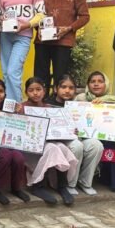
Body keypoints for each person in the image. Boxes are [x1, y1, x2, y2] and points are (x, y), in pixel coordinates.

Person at [34, 0, 89, 91]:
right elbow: (37, 15)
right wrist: (38, 28)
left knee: (61, 78)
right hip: (43, 41)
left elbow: (85, 16)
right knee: (40, 77)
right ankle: (40, 102)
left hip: (64, 41)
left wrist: (69, 28)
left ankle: (57, 103)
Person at [21, 77, 77, 205]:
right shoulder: (22, 108)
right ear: (26, 92)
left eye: (38, 89)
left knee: (62, 148)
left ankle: (62, 186)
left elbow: (58, 128)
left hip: (48, 142)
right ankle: (37, 186)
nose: (35, 93)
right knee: (52, 148)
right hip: (30, 147)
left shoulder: (50, 108)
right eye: (31, 90)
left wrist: (70, 130)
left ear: (44, 91)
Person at [46, 75, 103, 195]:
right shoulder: (48, 105)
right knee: (76, 145)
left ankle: (85, 182)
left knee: (96, 145)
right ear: (56, 89)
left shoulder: (78, 105)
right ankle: (69, 183)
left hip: (78, 137)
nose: (67, 90)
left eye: (71, 88)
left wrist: (97, 105)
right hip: (58, 141)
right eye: (63, 87)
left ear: (75, 90)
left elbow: (90, 122)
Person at [0, 0, 45, 102]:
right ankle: (8, 105)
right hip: (5, 35)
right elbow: (1, 15)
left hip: (23, 36)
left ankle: (17, 106)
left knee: (13, 72)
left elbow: (41, 14)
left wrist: (26, 25)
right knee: (6, 72)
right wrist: (1, 19)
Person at [75, 71, 115, 187]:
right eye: (92, 81)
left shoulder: (114, 100)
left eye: (100, 81)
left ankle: (111, 180)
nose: (96, 84)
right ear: (88, 85)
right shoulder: (80, 99)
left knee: (112, 143)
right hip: (85, 137)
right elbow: (74, 117)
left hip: (106, 136)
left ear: (106, 84)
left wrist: (105, 104)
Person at [0, 79, 29, 204]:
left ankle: (16, 188)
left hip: (8, 143)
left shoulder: (9, 108)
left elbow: (18, 127)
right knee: (5, 155)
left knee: (18, 157)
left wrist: (18, 113)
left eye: (1, 91)